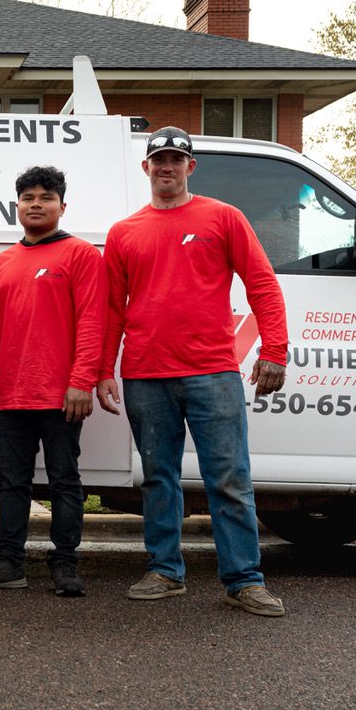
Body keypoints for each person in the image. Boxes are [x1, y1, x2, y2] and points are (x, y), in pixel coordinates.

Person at [96, 126, 289, 617]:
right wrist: (103, 369)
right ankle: (165, 570)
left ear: (190, 167)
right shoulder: (123, 233)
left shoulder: (223, 217)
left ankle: (244, 579)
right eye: (158, 159)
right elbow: (110, 309)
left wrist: (276, 350)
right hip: (146, 374)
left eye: (175, 160)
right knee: (158, 478)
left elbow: (262, 284)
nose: (166, 167)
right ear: (146, 168)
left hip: (213, 372)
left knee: (228, 478)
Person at [0, 166, 107, 597]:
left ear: (63, 206)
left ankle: (65, 564)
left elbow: (92, 322)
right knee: (12, 484)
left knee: (65, 481)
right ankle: (9, 562)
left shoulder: (81, 255)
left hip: (63, 396)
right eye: (28, 197)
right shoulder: (1, 263)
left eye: (46, 197)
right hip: (10, 396)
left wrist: (81, 380)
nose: (36, 204)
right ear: (18, 206)